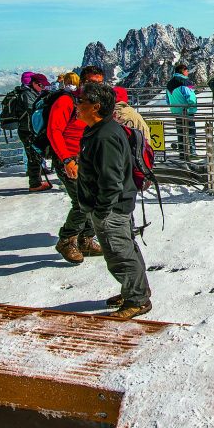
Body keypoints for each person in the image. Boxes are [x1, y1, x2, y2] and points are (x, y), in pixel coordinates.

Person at [76, 82, 152, 320]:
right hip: (116, 204)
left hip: (112, 207)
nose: (77, 105)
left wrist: (101, 210)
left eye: (82, 102)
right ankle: (136, 290)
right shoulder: (101, 130)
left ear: (95, 107)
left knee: (119, 254)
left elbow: (111, 179)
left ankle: (137, 300)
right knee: (126, 248)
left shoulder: (105, 136)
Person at [47, 67, 104, 264]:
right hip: (69, 159)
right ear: (81, 82)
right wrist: (66, 160)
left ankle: (85, 239)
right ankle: (66, 240)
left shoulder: (95, 103)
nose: (95, 86)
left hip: (88, 159)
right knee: (81, 202)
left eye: (99, 82)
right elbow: (54, 131)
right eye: (91, 82)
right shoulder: (66, 102)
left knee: (94, 199)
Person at [16, 73, 51, 192]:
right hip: (27, 130)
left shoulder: (31, 93)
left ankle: (37, 181)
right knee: (33, 156)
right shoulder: (27, 94)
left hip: (29, 129)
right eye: (41, 85)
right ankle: (35, 184)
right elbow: (33, 110)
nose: (43, 88)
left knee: (35, 155)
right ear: (34, 83)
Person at [165, 63, 197, 160]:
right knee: (191, 132)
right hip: (187, 111)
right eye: (187, 70)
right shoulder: (186, 82)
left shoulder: (169, 83)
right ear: (183, 71)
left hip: (176, 111)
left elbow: (167, 99)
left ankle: (182, 153)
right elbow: (191, 98)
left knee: (180, 132)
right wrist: (192, 106)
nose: (188, 72)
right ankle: (192, 152)